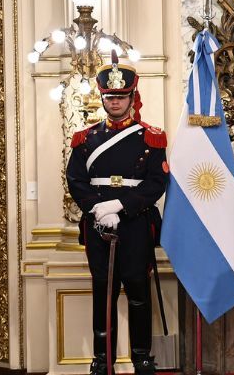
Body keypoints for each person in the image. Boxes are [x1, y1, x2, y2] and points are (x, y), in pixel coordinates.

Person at [66, 52, 168, 375]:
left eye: (121, 96)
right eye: (110, 96)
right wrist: (98, 209)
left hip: (135, 223)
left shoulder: (151, 137)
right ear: (102, 98)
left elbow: (157, 182)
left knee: (138, 292)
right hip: (99, 225)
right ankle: (102, 359)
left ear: (132, 97)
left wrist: (120, 206)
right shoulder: (85, 139)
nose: (115, 102)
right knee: (104, 293)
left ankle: (142, 357)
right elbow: (75, 180)